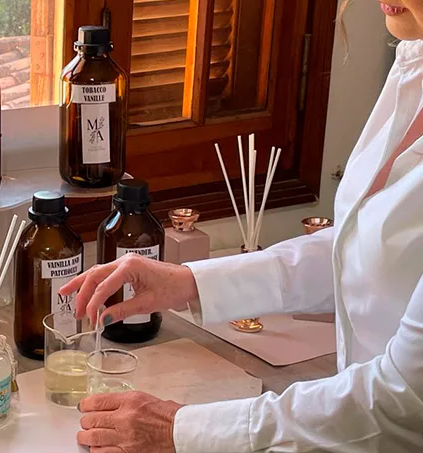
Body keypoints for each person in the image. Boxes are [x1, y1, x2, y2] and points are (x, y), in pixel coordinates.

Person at [62, 2, 423, 452]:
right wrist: (190, 282)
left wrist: (180, 429)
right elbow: (359, 247)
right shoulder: (413, 64)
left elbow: (402, 400)